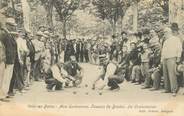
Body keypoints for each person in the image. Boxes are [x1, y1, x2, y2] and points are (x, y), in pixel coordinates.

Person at [161, 24, 182, 97]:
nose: (164, 33)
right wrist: (162, 59)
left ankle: (174, 90)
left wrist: (178, 58)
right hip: (165, 59)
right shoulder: (165, 41)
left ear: (170, 32)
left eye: (166, 32)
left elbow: (179, 49)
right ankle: (167, 89)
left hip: (172, 58)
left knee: (172, 74)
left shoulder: (176, 39)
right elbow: (163, 51)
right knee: (165, 74)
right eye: (164, 32)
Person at [0, 18, 17, 101]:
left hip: (10, 59)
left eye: (13, 26)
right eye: (11, 25)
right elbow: (3, 48)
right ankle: (2, 95)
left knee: (8, 77)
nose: (12, 27)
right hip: (6, 59)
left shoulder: (8, 34)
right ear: (7, 25)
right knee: (5, 78)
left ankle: (5, 93)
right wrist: (4, 58)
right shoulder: (3, 33)